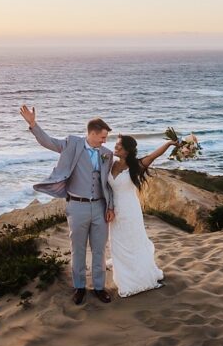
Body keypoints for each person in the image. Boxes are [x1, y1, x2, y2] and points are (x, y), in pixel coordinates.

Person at [20, 105, 114, 305]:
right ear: (92, 133)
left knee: (99, 250)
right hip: (77, 206)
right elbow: (49, 142)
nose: (105, 141)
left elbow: (108, 183)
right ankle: (79, 287)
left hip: (99, 207)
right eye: (102, 137)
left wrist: (110, 207)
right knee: (78, 249)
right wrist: (33, 124)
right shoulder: (72, 143)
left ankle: (99, 287)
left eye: (106, 138)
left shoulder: (106, 153)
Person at [107, 134, 174, 297]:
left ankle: (137, 280)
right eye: (116, 145)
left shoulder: (136, 166)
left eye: (119, 146)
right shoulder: (110, 164)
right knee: (117, 244)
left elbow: (154, 155)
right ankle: (124, 276)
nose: (115, 148)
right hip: (114, 211)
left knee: (134, 243)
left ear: (127, 151)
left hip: (130, 210)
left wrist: (169, 143)